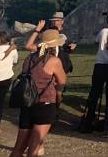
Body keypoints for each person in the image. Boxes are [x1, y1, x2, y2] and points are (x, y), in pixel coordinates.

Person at [9, 29, 67, 157]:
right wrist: (58, 94)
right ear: (55, 45)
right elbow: (62, 81)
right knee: (34, 148)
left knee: (19, 147)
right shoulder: (53, 61)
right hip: (44, 104)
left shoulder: (29, 59)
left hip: (28, 102)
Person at [79, 14, 108, 132]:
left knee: (94, 95)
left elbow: (96, 42)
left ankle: (88, 123)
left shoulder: (104, 31)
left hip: (99, 65)